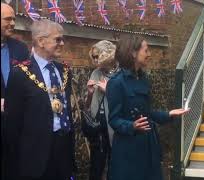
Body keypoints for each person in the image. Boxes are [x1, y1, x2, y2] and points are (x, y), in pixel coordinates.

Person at [106, 36, 189, 180]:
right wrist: (131, 126)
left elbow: (148, 113)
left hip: (149, 145)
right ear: (133, 53)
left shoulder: (143, 78)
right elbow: (114, 119)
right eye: (146, 50)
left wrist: (169, 114)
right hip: (128, 150)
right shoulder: (116, 82)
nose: (149, 54)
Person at [5, 19, 75, 180]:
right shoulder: (20, 74)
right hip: (35, 154)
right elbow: (13, 124)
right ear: (41, 41)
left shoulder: (64, 71)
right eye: (57, 39)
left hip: (63, 147)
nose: (62, 43)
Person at [1, 2, 30, 179]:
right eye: (7, 19)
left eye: (14, 18)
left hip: (15, 126)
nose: (13, 23)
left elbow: (28, 82)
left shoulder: (20, 48)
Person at [85, 40, 118, 180]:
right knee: (96, 167)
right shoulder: (96, 73)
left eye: (98, 56)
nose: (96, 59)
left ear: (108, 54)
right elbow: (87, 106)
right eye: (94, 56)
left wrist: (109, 90)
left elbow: (125, 102)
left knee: (115, 166)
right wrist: (90, 93)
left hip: (116, 127)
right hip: (98, 128)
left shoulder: (121, 74)